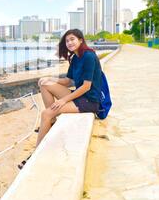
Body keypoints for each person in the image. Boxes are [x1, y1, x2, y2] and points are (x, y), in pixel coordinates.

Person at [18, 29, 102, 169]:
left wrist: (63, 100)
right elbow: (69, 81)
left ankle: (36, 153)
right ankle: (51, 120)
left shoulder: (89, 56)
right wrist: (49, 78)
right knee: (45, 84)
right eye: (67, 41)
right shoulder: (75, 58)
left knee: (46, 113)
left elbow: (86, 87)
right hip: (79, 95)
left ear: (81, 40)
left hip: (89, 101)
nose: (69, 42)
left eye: (72, 39)